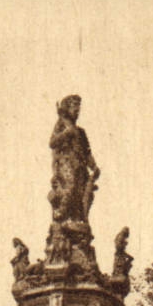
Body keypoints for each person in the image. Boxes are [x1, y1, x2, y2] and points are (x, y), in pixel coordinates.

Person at [48, 95, 99, 223]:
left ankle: (78, 220)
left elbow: (87, 153)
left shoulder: (81, 132)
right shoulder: (61, 125)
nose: (77, 110)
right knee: (70, 187)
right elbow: (52, 142)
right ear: (67, 108)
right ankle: (61, 213)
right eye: (74, 107)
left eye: (78, 108)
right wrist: (68, 133)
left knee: (81, 194)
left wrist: (94, 167)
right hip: (66, 165)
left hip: (80, 168)